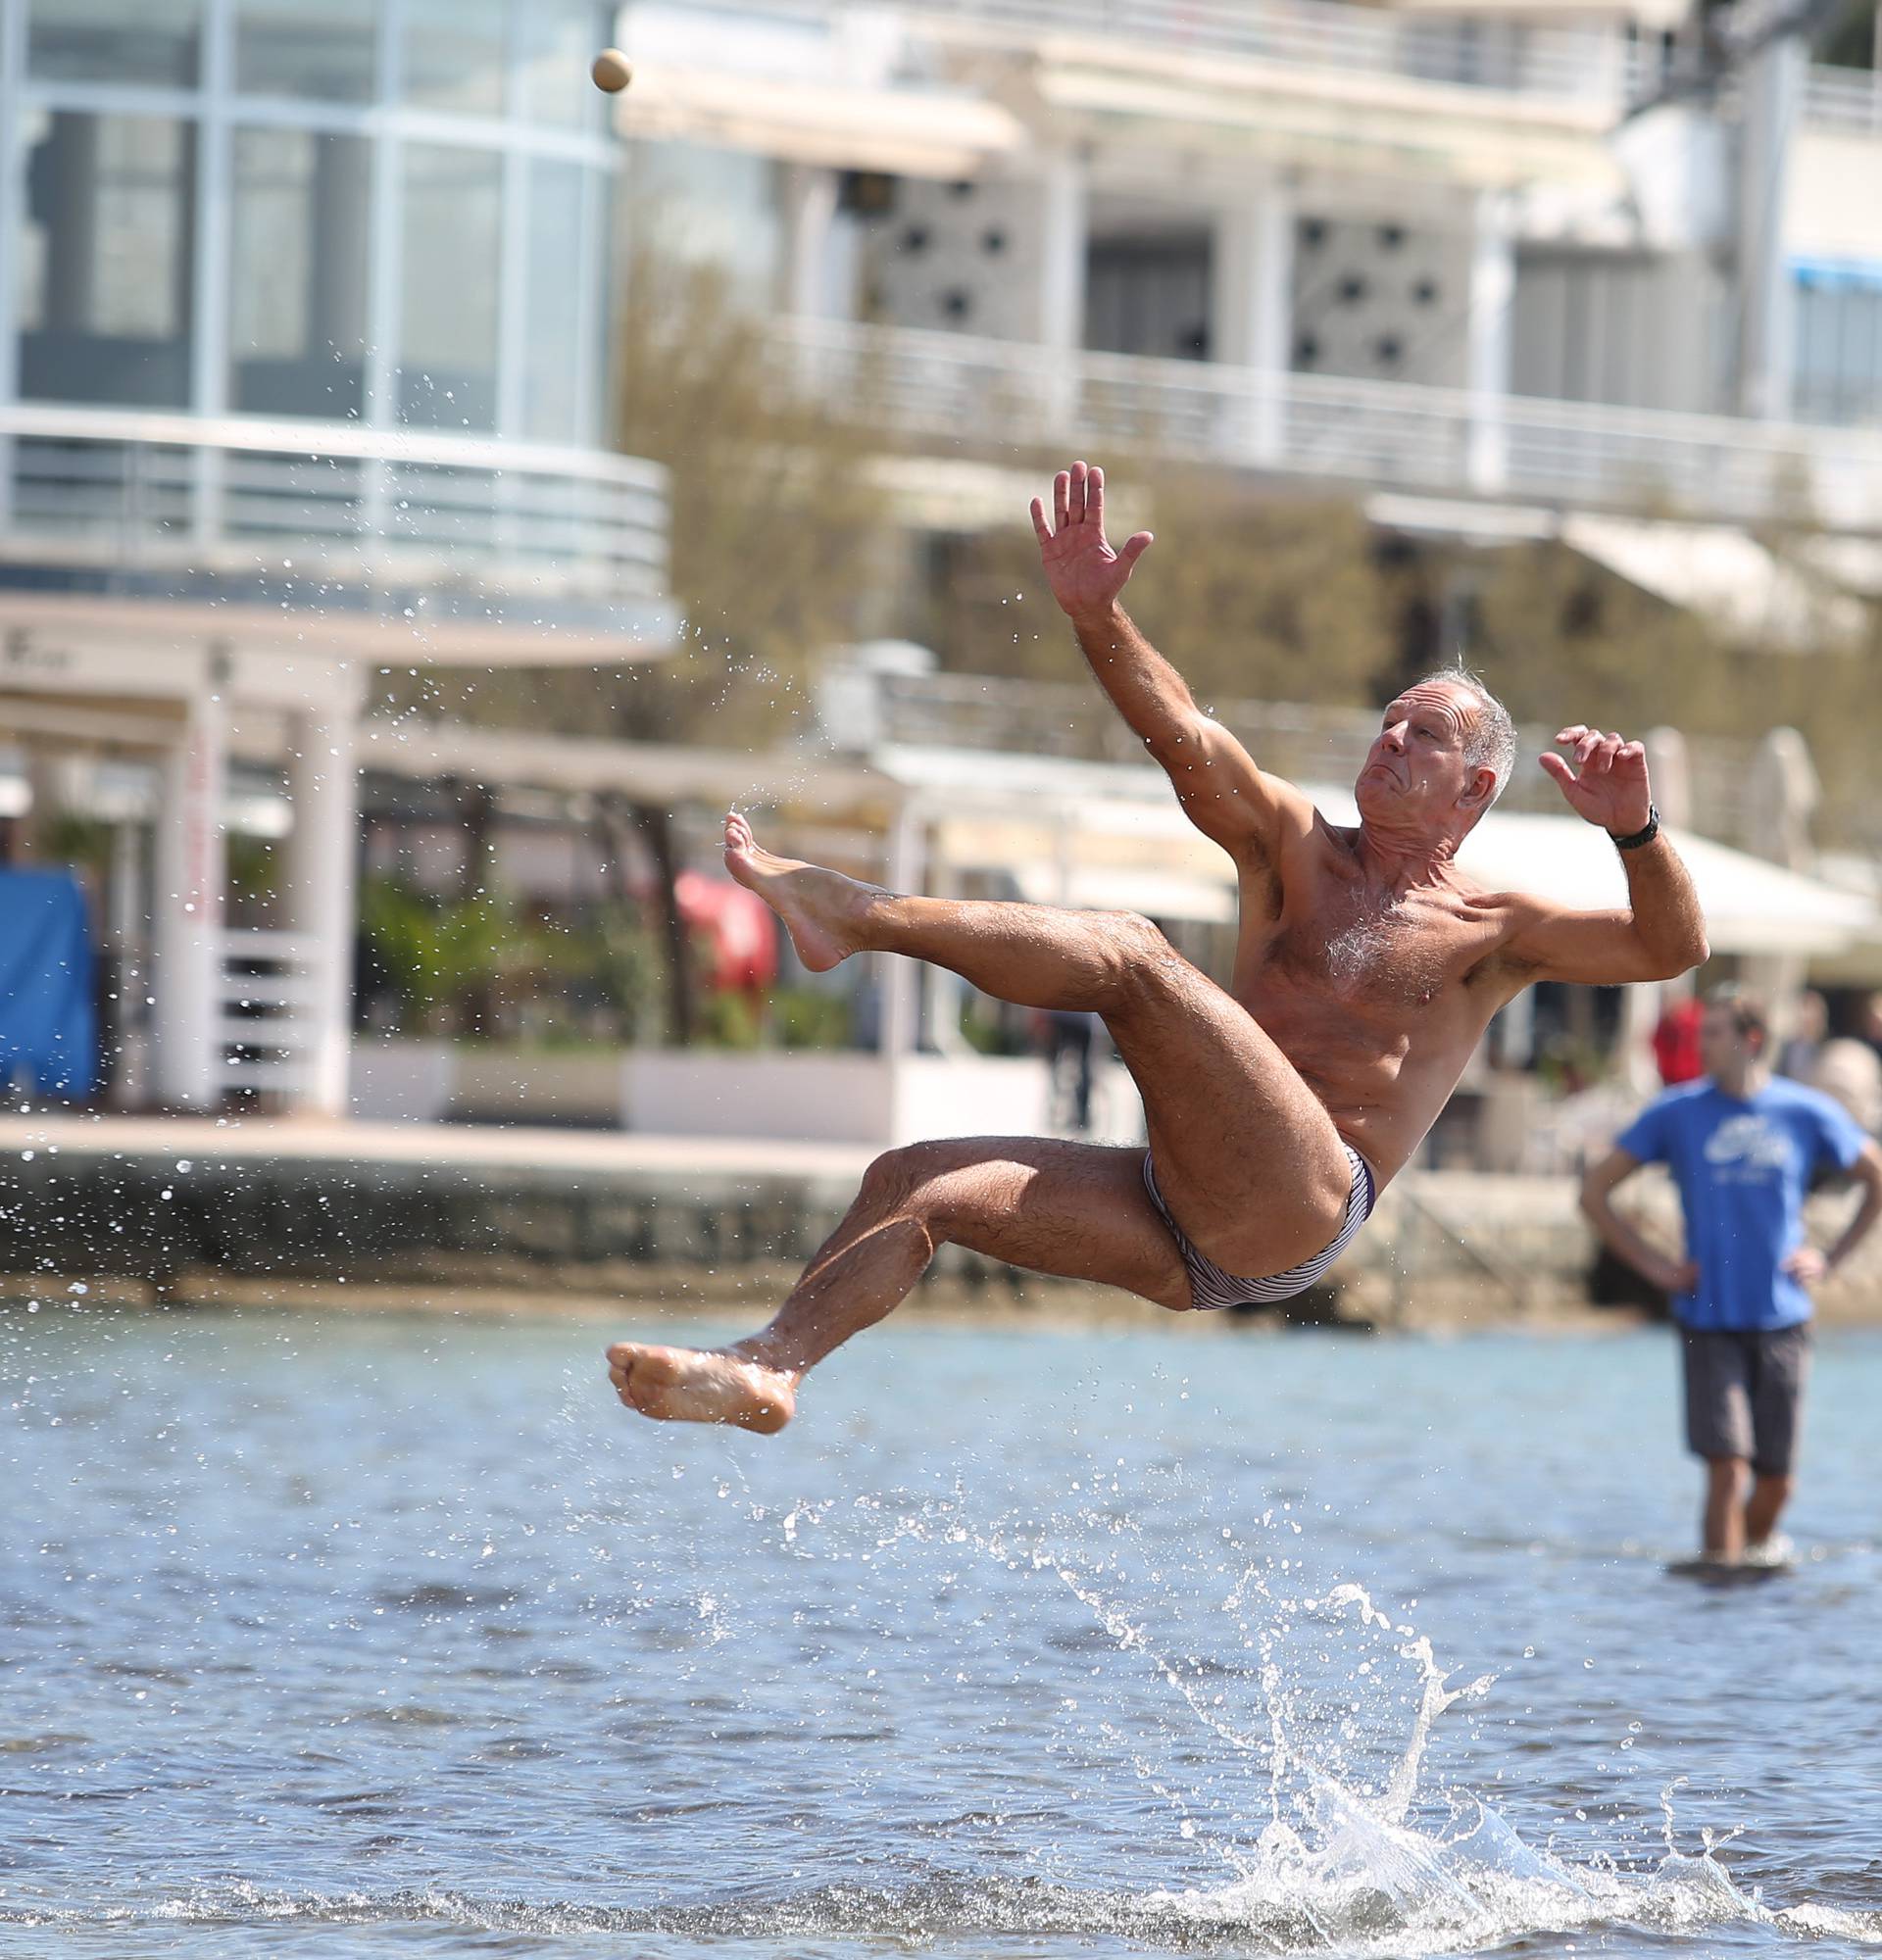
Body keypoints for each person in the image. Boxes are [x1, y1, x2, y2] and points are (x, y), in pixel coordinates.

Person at [607, 460, 1709, 1433]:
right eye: (1387, 720)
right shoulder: (1293, 851)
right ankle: (769, 1365)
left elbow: (1670, 946)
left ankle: (854, 914)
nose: (1390, 739)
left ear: (1476, 787)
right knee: (915, 1180)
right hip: (1182, 1223)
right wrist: (1096, 618)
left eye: (1424, 735)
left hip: (1306, 1205)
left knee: (1136, 955)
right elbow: (1185, 733)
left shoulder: (1493, 930)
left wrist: (1636, 833)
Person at [1580, 987, 1882, 1565]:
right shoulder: (1677, 1111)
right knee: (1727, 1466)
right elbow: (1594, 1193)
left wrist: (1831, 1258)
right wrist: (1655, 1266)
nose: (1702, 1044)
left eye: (1714, 1033)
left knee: (1776, 1481)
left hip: (1783, 1317)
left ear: (1752, 1040)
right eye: (1701, 1033)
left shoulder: (1805, 1111)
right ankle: (1719, 1596)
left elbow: (1875, 1178)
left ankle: (1748, 1576)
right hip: (1707, 1315)